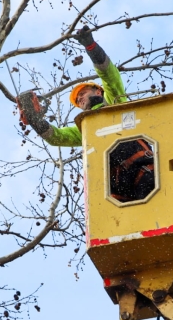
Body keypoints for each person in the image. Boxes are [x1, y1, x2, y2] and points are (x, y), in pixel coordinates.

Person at [17, 26, 155, 203]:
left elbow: (109, 75)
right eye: (77, 100)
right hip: (118, 185)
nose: (80, 99)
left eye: (82, 94)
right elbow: (56, 137)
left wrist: (91, 46)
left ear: (98, 92)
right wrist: (35, 120)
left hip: (141, 169)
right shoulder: (86, 127)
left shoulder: (115, 102)